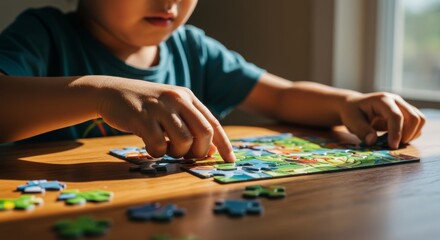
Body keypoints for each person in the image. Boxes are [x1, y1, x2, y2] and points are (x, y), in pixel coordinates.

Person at [0, 0, 425, 163]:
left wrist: (346, 102)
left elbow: (280, 97)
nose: (168, 1)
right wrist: (98, 93)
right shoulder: (43, 33)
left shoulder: (192, 47)